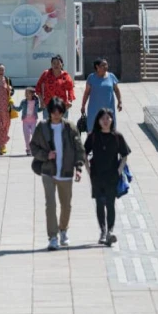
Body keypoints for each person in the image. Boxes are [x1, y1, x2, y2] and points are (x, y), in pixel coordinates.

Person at [30, 98, 85, 251]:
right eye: (53, 111)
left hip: (66, 172)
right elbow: (33, 146)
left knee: (66, 205)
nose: (56, 114)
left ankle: (63, 230)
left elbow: (79, 149)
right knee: (50, 205)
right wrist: (46, 155)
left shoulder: (70, 127)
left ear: (63, 112)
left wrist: (78, 167)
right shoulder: (42, 127)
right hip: (48, 172)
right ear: (49, 112)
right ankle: (53, 237)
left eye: (59, 111)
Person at [84, 108, 131, 246]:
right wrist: (88, 170)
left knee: (110, 203)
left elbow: (124, 155)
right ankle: (103, 231)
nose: (105, 121)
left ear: (112, 120)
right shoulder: (93, 136)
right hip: (97, 175)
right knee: (100, 203)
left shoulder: (117, 136)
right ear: (98, 121)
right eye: (103, 118)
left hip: (112, 176)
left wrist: (119, 171)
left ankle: (110, 231)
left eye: (108, 118)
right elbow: (83, 153)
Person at [80, 58, 123, 133]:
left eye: (106, 65)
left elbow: (117, 90)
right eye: (103, 65)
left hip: (108, 110)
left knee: (109, 130)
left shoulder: (111, 76)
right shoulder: (91, 78)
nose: (105, 66)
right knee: (93, 131)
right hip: (94, 110)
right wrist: (83, 105)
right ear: (97, 67)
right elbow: (86, 93)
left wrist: (120, 102)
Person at [35, 55, 75, 119]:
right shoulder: (46, 74)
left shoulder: (66, 76)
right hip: (48, 105)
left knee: (62, 125)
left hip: (62, 106)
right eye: (54, 63)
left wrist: (70, 101)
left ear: (62, 65)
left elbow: (70, 89)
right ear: (51, 64)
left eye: (58, 63)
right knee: (47, 125)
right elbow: (38, 87)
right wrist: (41, 100)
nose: (56, 65)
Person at [12, 87, 43, 156]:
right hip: (25, 121)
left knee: (34, 134)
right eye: (25, 93)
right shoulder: (23, 102)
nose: (26, 94)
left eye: (27, 93)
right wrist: (13, 107)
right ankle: (28, 149)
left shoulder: (36, 102)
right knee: (27, 135)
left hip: (33, 121)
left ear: (32, 94)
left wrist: (42, 108)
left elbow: (38, 110)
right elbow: (19, 109)